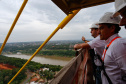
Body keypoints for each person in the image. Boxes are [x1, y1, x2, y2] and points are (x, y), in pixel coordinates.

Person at [98, 12, 126, 84]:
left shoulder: (118, 44)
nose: (98, 32)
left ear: (112, 28)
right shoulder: (110, 43)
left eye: (101, 28)